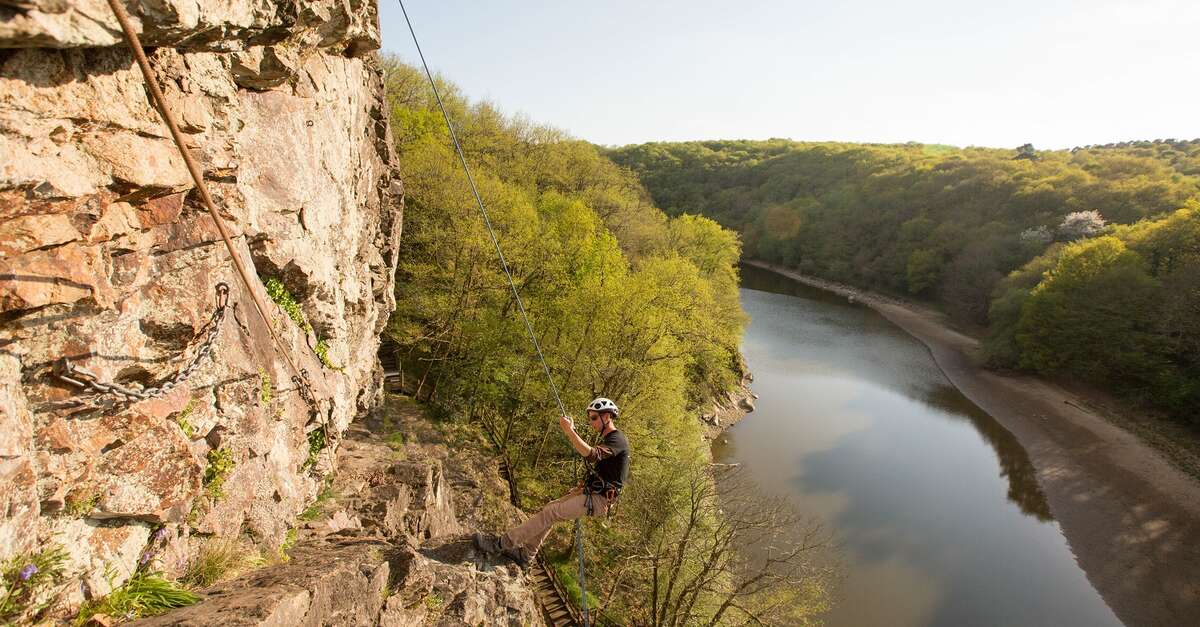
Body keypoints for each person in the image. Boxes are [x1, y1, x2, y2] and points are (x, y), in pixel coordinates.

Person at [475, 397, 630, 567]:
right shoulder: (609, 440)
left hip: (599, 500)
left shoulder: (618, 439)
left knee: (551, 513)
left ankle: (499, 544)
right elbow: (603, 469)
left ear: (607, 416)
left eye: (594, 418)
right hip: (592, 492)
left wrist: (569, 432)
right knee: (550, 508)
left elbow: (592, 455)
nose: (591, 422)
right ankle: (526, 555)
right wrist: (580, 487)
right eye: (590, 418)